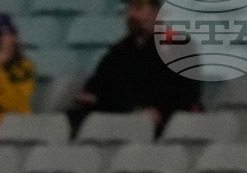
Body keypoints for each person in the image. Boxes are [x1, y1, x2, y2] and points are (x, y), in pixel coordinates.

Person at [69, 0, 201, 135]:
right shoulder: (118, 52)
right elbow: (95, 88)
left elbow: (187, 95)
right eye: (129, 8)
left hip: (161, 128)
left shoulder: (178, 47)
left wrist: (161, 113)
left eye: (138, 8)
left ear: (157, 14)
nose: (131, 14)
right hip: (118, 121)